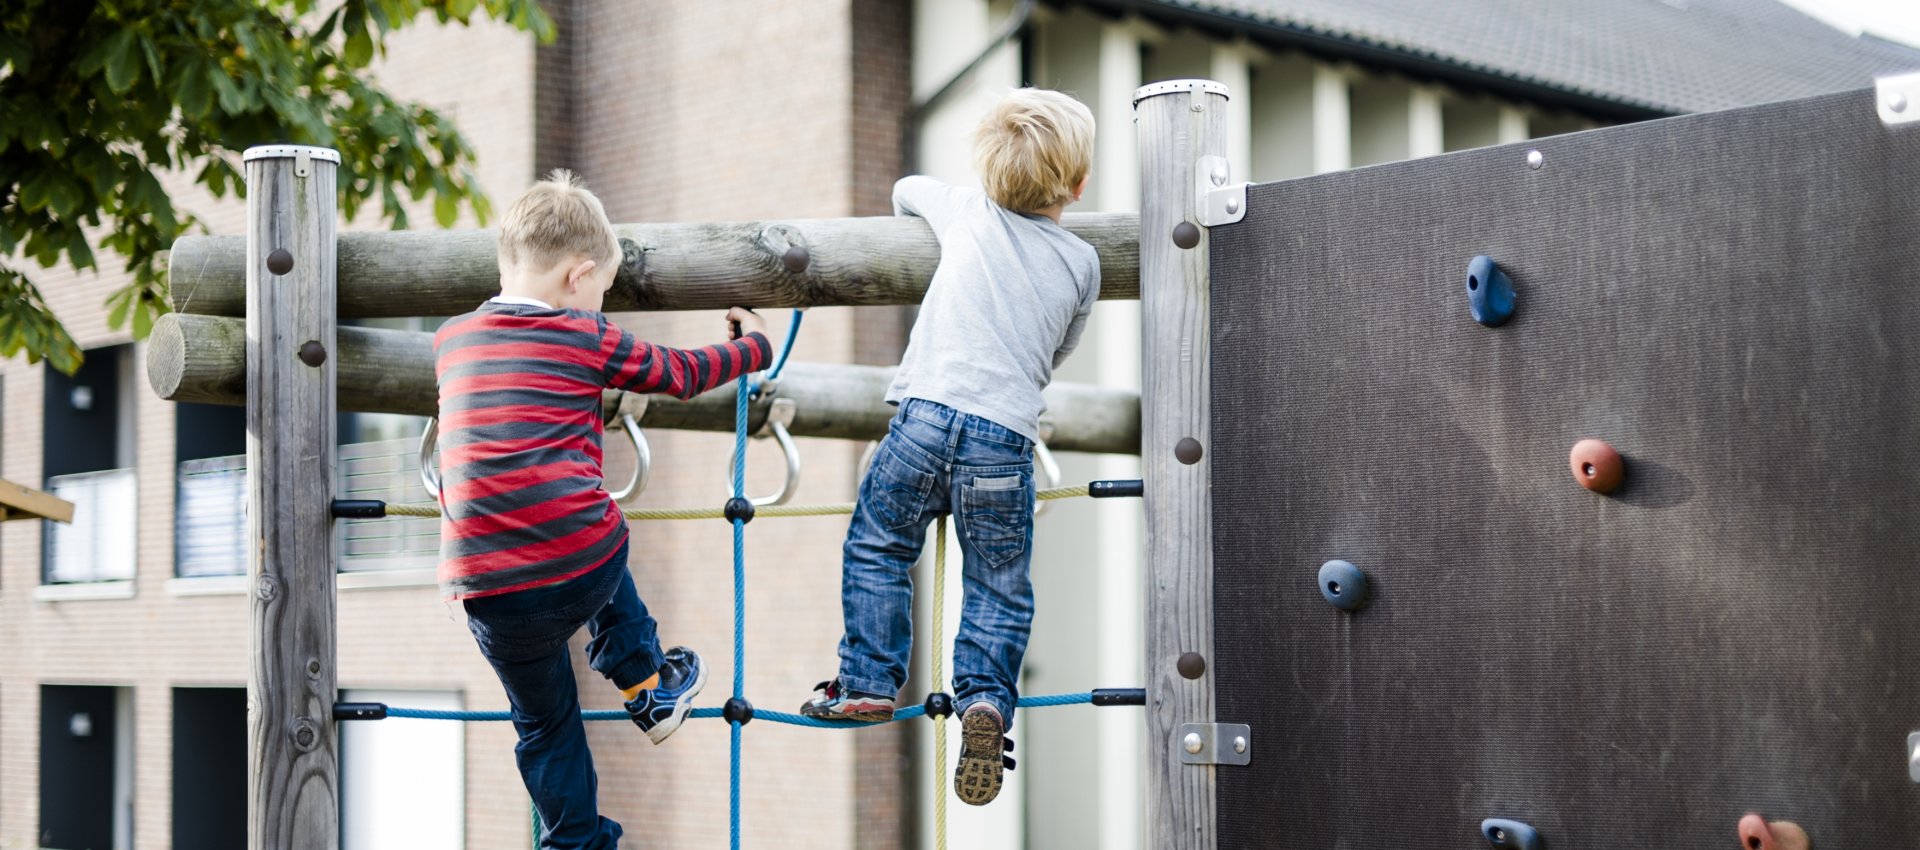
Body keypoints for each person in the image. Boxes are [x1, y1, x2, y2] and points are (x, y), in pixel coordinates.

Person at [434, 170, 770, 848]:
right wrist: (752, 345)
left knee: (543, 725)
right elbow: (680, 374)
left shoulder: (452, 338)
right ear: (578, 277)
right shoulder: (587, 337)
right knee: (596, 523)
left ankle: (575, 841)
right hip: (573, 564)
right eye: (603, 292)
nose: (602, 305)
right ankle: (645, 681)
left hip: (485, 589)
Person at [799, 88, 1099, 807]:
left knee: (878, 544)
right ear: (1079, 184)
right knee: (997, 582)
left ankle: (869, 681)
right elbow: (1060, 347)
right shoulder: (1083, 262)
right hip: (1004, 441)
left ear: (990, 176)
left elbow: (907, 189)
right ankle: (986, 701)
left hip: (924, 420)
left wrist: (963, 199)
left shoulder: (966, 211)